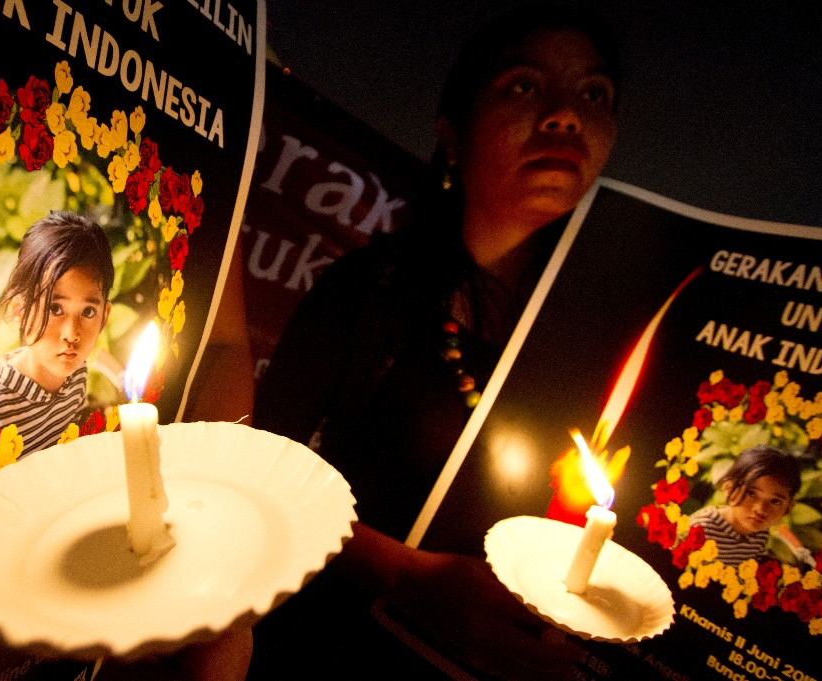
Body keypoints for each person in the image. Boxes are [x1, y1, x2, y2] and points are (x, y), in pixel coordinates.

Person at [251, 1, 620, 678]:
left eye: (594, 94)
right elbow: (253, 477)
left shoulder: (613, 343)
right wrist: (406, 575)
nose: (566, 114)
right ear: (453, 134)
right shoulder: (368, 290)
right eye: (525, 86)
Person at [0, 210, 113, 457]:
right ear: (19, 310)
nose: (72, 334)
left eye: (88, 312)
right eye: (55, 308)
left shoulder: (76, 376)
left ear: (105, 315)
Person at [689, 445, 801, 567]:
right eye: (751, 493)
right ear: (728, 488)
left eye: (775, 501)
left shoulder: (760, 535)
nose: (760, 509)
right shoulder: (701, 529)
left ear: (789, 507)